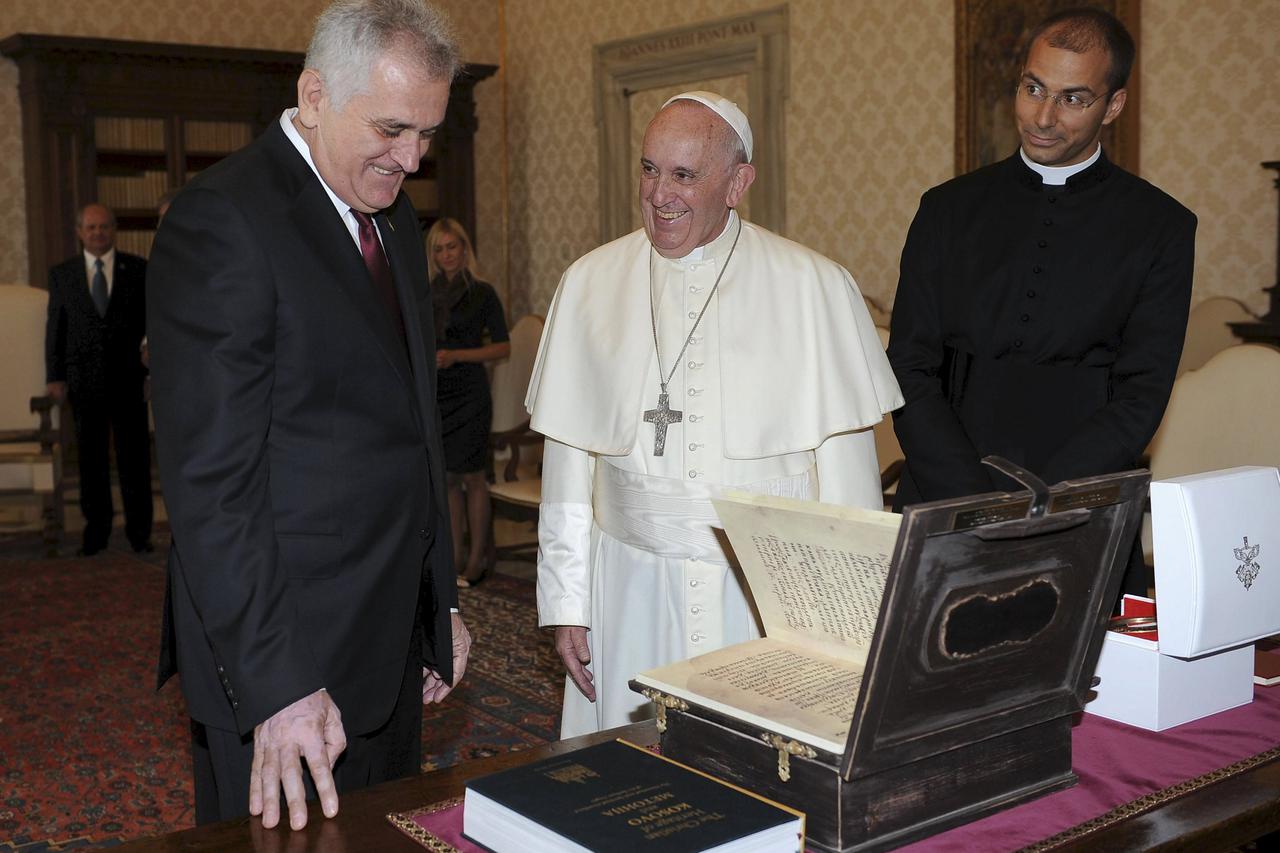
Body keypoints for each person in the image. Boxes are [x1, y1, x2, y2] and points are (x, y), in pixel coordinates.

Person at [147, 0, 470, 831]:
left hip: (390, 636)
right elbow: (211, 486)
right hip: (285, 658)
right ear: (315, 94)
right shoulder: (223, 220)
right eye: (394, 128)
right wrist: (280, 684)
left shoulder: (391, 215)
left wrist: (441, 603)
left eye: (429, 134)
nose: (413, 158)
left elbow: (413, 425)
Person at [527, 91, 902, 738]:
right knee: (627, 790)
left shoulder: (814, 287)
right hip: (628, 587)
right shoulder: (589, 283)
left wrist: (846, 626)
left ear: (738, 183)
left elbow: (849, 495)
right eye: (649, 169)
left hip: (758, 599)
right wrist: (567, 602)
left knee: (756, 785)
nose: (659, 194)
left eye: (684, 175)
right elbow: (567, 469)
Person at [887, 8, 1196, 597]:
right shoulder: (946, 210)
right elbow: (908, 367)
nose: (1044, 118)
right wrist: (975, 501)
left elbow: (1141, 393)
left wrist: (1041, 502)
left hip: (1082, 501)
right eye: (1034, 89)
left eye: (1073, 99)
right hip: (945, 491)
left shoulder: (1161, 227)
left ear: (1113, 105)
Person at [45, 202, 152, 555]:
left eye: (104, 227)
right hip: (83, 383)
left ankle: (140, 532)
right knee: (90, 461)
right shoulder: (62, 275)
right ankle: (96, 532)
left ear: (114, 230)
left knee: (133, 459)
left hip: (129, 380)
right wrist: (55, 376)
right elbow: (55, 330)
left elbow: (153, 320)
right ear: (79, 233)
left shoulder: (138, 269)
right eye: (90, 228)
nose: (97, 233)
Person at [426, 218, 510, 587]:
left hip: (471, 394)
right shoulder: (423, 293)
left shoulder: (482, 292)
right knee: (447, 479)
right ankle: (454, 556)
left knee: (474, 478)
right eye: (439, 249)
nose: (446, 255)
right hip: (437, 395)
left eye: (452, 247)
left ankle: (477, 560)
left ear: (464, 249)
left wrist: (458, 356)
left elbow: (503, 347)